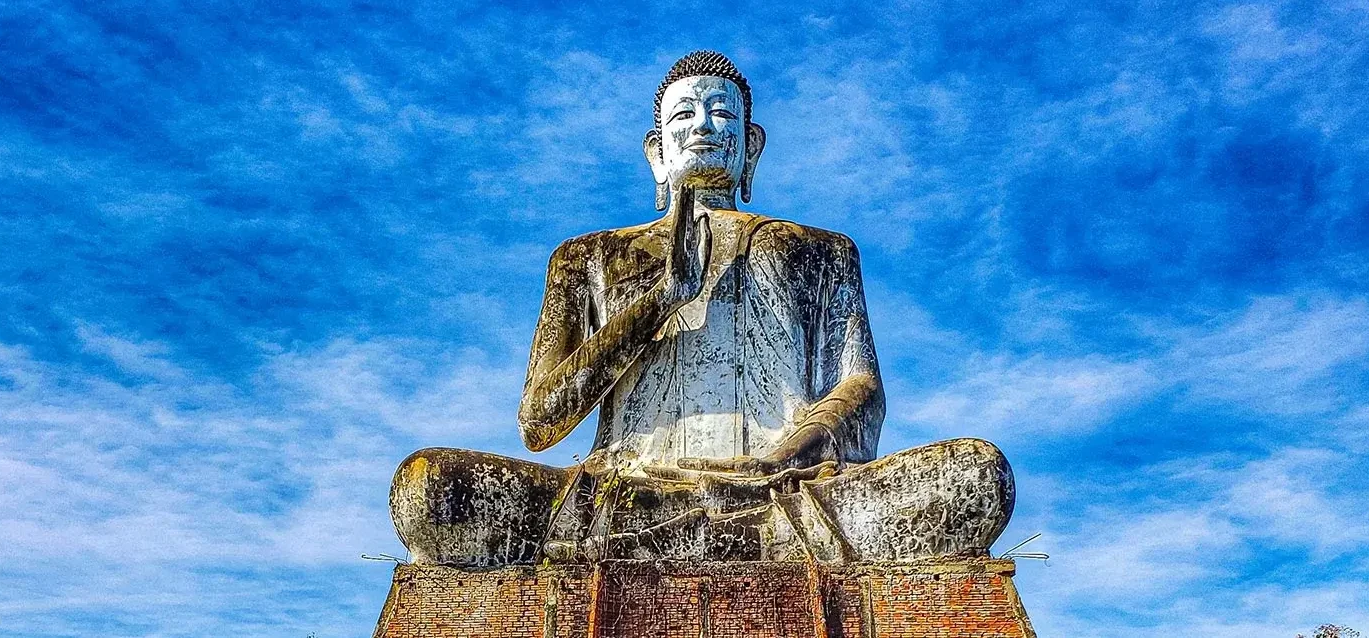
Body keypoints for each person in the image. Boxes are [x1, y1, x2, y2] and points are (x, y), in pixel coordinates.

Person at [390, 51, 1013, 567]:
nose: (704, 126)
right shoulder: (590, 257)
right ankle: (697, 533)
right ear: (656, 151)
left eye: (723, 113)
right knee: (428, 491)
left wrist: (785, 458)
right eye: (684, 114)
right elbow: (539, 421)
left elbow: (860, 389)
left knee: (975, 477)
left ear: (752, 147)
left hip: (784, 495)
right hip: (623, 494)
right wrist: (660, 297)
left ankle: (729, 528)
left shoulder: (820, 251)